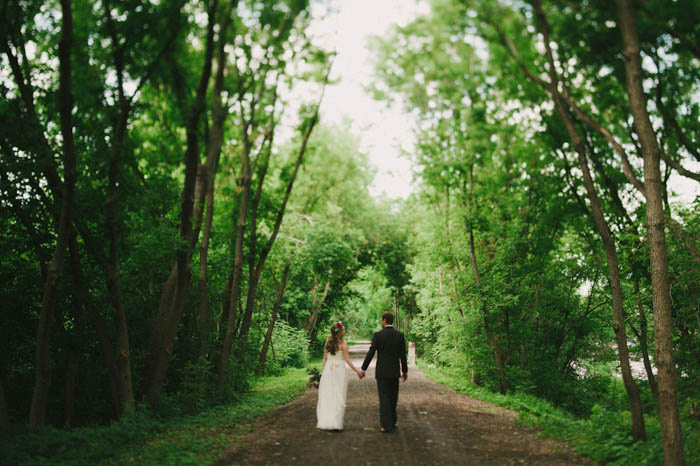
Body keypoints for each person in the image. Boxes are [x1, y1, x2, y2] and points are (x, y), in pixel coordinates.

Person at [360, 312, 408, 433]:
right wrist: (405, 370)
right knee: (393, 397)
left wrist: (363, 369)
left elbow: (371, 353)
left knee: (384, 397)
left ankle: (386, 425)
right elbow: (403, 355)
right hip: (394, 371)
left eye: (382, 320)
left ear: (384, 321)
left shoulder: (378, 335)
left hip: (381, 372)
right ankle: (392, 421)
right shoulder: (399, 336)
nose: (381, 322)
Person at [316, 322, 363, 431]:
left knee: (329, 394)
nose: (345, 331)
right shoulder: (343, 344)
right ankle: (335, 422)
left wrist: (323, 372)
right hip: (339, 371)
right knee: (338, 395)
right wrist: (357, 371)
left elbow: (325, 359)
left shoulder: (328, 342)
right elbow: (347, 360)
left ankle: (328, 421)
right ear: (340, 333)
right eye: (344, 330)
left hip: (328, 369)